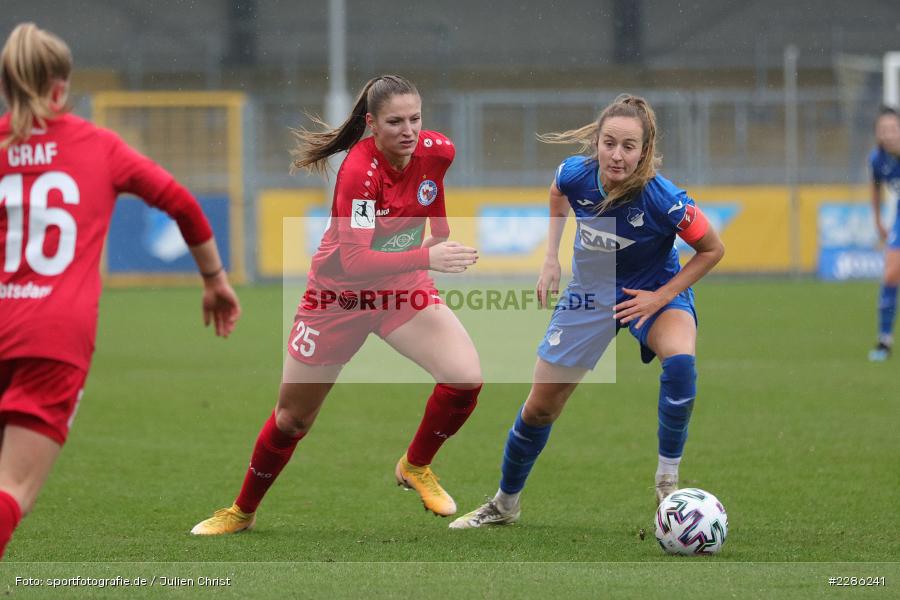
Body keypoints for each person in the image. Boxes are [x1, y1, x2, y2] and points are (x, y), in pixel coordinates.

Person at [191, 75, 482, 535]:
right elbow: (356, 259)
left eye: (415, 118)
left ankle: (415, 465)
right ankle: (241, 511)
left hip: (400, 287)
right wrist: (429, 254)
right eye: (395, 122)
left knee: (464, 379)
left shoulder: (438, 149)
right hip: (338, 297)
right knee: (292, 419)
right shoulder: (359, 174)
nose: (409, 130)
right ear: (371, 124)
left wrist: (441, 236)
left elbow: (433, 188)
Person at [0, 23, 241, 557]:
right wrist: (214, 279)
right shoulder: (98, 146)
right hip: (52, 334)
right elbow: (182, 203)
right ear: (61, 87)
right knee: (11, 489)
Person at [449, 94, 725, 529]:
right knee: (540, 408)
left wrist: (659, 298)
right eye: (609, 143)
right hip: (590, 293)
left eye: (628, 146)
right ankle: (504, 504)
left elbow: (712, 249)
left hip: (653, 289)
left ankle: (667, 485)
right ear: (596, 142)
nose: (617, 155)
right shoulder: (575, 175)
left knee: (681, 361)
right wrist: (551, 257)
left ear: (644, 150)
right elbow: (557, 193)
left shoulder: (664, 199)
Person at [867, 105, 900, 362]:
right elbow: (876, 188)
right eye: (883, 130)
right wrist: (878, 220)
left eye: (893, 129)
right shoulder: (878, 159)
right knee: (890, 273)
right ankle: (884, 340)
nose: (888, 134)